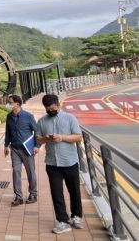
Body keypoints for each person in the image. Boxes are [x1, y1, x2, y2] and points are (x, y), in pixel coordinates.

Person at [37, 94, 84, 234]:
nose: (51, 110)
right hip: (52, 163)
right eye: (48, 109)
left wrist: (62, 138)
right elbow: (38, 139)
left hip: (70, 161)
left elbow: (78, 136)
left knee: (74, 191)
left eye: (53, 108)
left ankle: (76, 216)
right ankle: (62, 221)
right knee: (56, 193)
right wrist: (46, 138)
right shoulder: (41, 121)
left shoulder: (70, 118)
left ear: (58, 105)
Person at [4, 94, 39, 206]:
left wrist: (36, 146)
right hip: (14, 149)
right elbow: (8, 132)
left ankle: (33, 194)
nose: (8, 104)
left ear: (17, 104)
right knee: (16, 171)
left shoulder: (28, 116)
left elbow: (36, 131)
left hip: (27, 149)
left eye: (10, 102)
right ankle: (18, 197)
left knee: (31, 172)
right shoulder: (9, 117)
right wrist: (6, 145)